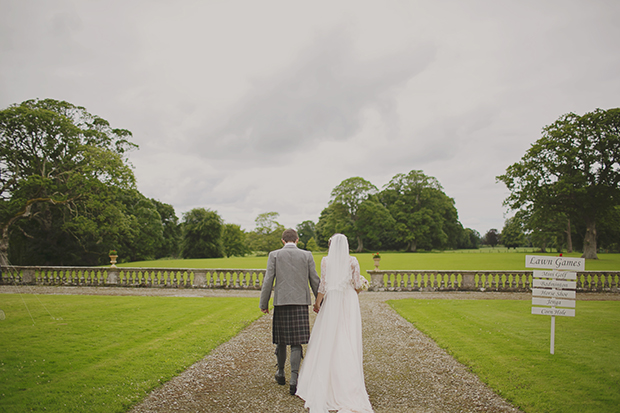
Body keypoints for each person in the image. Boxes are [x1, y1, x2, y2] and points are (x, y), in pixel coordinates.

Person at [296, 233, 373, 413]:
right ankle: (348, 382)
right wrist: (362, 284)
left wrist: (317, 302)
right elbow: (356, 285)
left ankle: (327, 379)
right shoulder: (353, 261)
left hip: (332, 301)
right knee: (347, 335)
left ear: (331, 245)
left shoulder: (325, 261)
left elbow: (323, 285)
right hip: (348, 300)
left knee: (329, 336)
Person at [259, 228, 320, 396]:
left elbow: (268, 281)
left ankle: (280, 373)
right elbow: (315, 279)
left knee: (281, 340)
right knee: (296, 342)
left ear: (282, 241)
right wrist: (320, 301)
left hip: (281, 302)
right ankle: (294, 379)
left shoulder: (274, 255)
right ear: (297, 240)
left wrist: (264, 303)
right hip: (300, 303)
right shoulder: (306, 255)